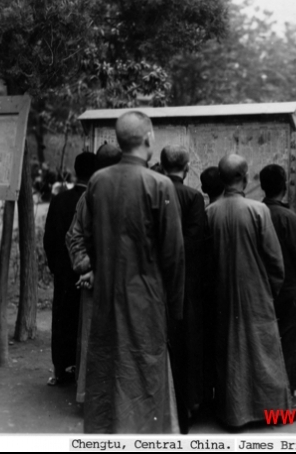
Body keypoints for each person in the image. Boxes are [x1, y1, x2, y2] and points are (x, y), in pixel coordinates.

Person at [77, 111, 185, 434]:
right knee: (145, 372)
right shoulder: (159, 184)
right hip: (146, 300)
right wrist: (175, 309)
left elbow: (91, 240)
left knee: (109, 368)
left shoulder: (98, 182)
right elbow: (174, 256)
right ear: (149, 138)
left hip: (107, 297)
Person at [206, 154, 290, 427]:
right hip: (257, 295)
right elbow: (275, 261)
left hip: (221, 297)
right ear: (244, 176)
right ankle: (272, 411)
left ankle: (233, 414)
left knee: (230, 355)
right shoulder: (258, 210)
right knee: (263, 353)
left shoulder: (210, 213)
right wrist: (271, 290)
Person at [66, 143, 122, 404]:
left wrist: (88, 267)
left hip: (98, 279)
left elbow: (73, 237)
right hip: (120, 280)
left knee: (96, 338)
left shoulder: (87, 194)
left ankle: (95, 397)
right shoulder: (93, 195)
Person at [160, 145, 207, 434]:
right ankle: (186, 409)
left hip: (154, 281)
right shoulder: (192, 197)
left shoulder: (151, 192)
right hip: (186, 282)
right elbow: (195, 241)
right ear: (187, 168)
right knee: (185, 345)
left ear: (162, 165)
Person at [260, 164, 296, 406]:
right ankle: (289, 394)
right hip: (288, 290)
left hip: (262, 289)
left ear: (262, 186)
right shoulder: (287, 217)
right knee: (289, 342)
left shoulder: (257, 212)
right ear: (284, 187)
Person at [43, 151, 97, 386]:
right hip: (90, 271)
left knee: (62, 319)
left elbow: (49, 238)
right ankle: (82, 369)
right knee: (83, 321)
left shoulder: (60, 199)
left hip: (65, 272)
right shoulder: (94, 199)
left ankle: (60, 368)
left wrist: (56, 267)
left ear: (76, 171)